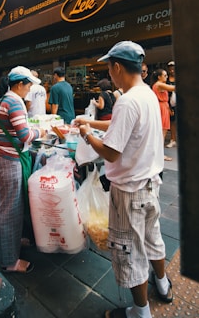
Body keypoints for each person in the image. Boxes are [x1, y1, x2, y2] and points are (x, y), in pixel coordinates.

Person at [76, 41, 173, 318]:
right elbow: (122, 125)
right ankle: (163, 286)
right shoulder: (146, 95)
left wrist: (87, 136)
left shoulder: (128, 100)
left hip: (130, 192)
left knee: (130, 254)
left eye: (109, 66)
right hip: (151, 184)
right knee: (153, 239)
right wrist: (91, 123)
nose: (110, 71)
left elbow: (111, 152)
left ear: (117, 67)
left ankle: (140, 312)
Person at [0, 66, 46, 273]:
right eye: (29, 85)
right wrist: (41, 131)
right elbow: (24, 135)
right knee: (9, 210)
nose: (30, 89)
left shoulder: (7, 98)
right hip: (8, 159)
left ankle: (14, 241)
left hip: (2, 155)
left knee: (13, 204)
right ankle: (10, 261)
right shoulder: (14, 101)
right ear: (20, 84)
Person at [151, 68, 175, 161]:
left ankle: (159, 154)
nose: (167, 77)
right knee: (162, 133)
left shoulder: (158, 85)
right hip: (162, 107)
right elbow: (173, 88)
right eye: (165, 75)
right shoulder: (159, 84)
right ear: (159, 77)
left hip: (163, 107)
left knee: (161, 132)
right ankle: (160, 155)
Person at [166, 61, 177, 148]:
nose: (172, 71)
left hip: (180, 103)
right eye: (170, 69)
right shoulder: (166, 80)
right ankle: (173, 140)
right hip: (171, 103)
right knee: (172, 122)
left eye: (173, 69)